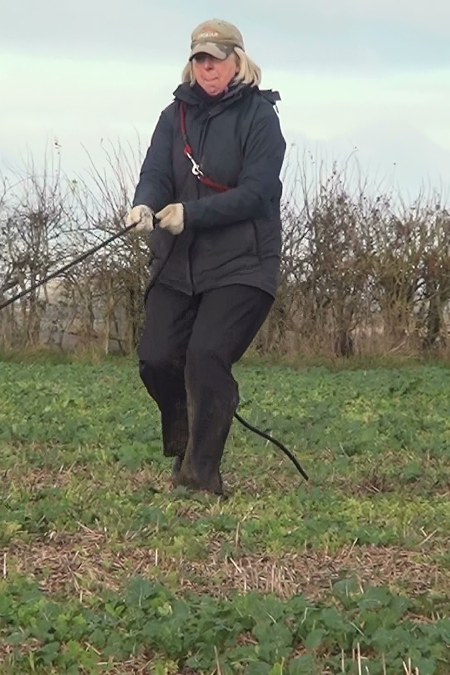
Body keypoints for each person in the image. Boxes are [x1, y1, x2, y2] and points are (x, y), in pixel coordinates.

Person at [124, 18, 286, 496]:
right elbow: (155, 172)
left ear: (238, 61)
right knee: (155, 358)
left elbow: (258, 193)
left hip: (243, 263)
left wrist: (191, 214)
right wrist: (145, 204)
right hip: (178, 262)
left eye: (216, 59)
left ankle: (200, 476)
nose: (207, 67)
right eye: (200, 59)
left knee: (206, 355)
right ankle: (185, 440)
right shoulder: (173, 115)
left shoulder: (260, 117)